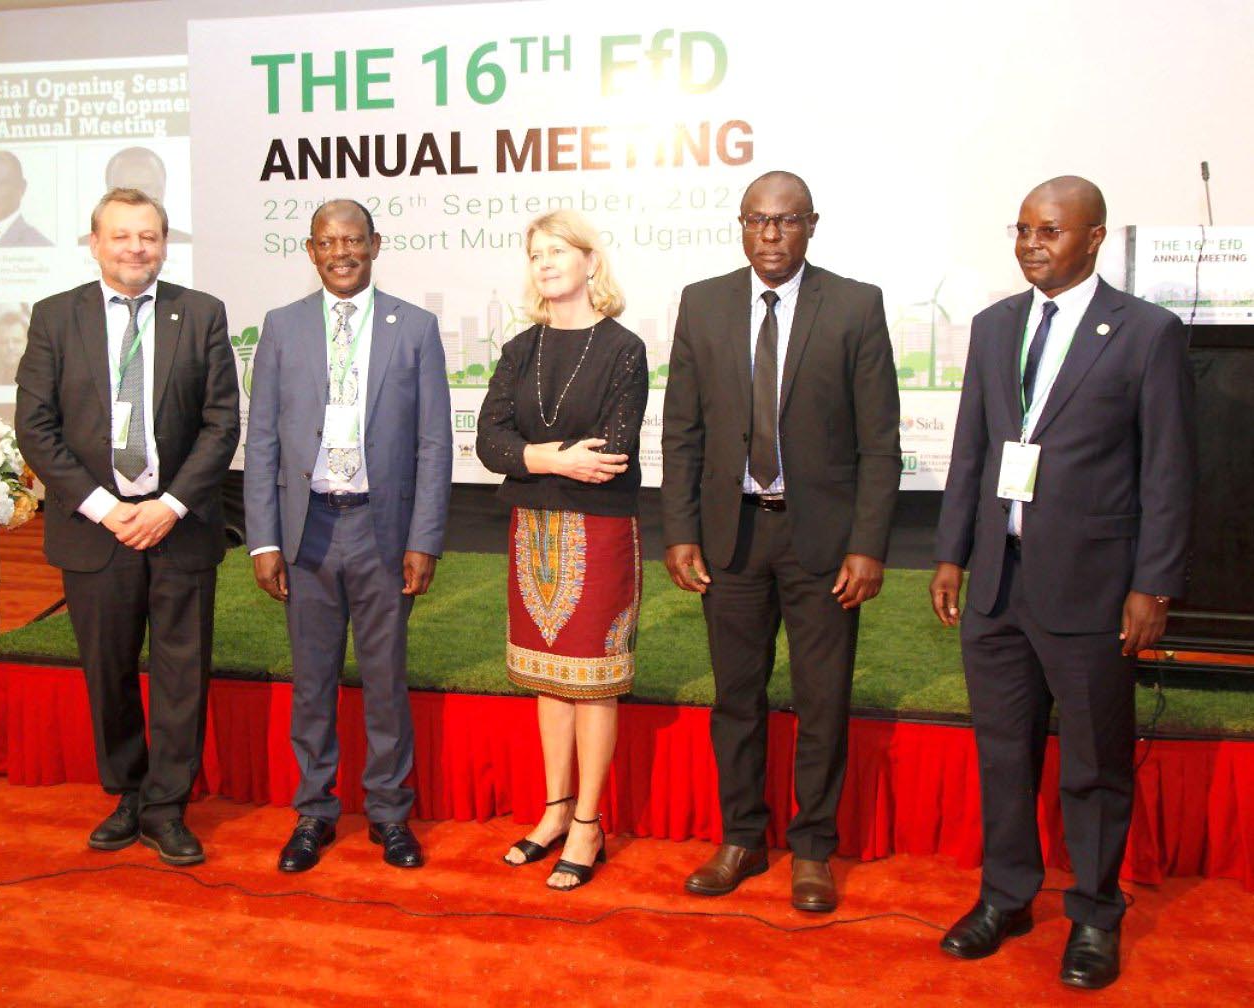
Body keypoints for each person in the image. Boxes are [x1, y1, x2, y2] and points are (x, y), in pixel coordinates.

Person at [931, 176, 1196, 989]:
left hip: (1092, 589)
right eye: (1022, 230)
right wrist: (951, 555)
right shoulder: (994, 326)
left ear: (1093, 238)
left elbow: (1169, 469)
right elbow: (972, 450)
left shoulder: (1147, 333)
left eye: (1049, 230)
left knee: (1092, 764)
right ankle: (1006, 896)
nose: (1031, 244)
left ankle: (1093, 916)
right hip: (998, 588)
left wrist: (1153, 584)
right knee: (1003, 753)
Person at [661, 170, 901, 912]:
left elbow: (880, 442)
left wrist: (868, 544)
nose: (771, 235)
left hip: (822, 541)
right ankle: (740, 836)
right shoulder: (702, 303)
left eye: (786, 221)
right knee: (736, 697)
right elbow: (682, 431)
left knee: (822, 701)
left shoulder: (856, 306)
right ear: (741, 225)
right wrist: (679, 532)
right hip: (730, 538)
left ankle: (812, 850)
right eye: (757, 221)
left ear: (811, 225)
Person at [14, 187, 239, 864]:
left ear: (164, 243)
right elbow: (36, 426)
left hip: (180, 525)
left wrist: (168, 506)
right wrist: (105, 508)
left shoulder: (198, 314)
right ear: (95, 242)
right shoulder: (57, 317)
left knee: (181, 673)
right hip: (95, 530)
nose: (136, 247)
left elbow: (221, 422)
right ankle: (128, 793)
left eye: (149, 235)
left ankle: (168, 806)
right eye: (122, 235)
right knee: (107, 670)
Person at [243, 199, 451, 874]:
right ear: (310, 250)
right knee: (312, 681)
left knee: (386, 681)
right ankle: (314, 811)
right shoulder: (281, 327)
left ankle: (390, 814)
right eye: (329, 242)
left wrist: (424, 538)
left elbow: (433, 443)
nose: (342, 252)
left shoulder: (414, 328)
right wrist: (263, 540)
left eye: (354, 240)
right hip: (308, 530)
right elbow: (265, 438)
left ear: (375, 244)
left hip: (381, 530)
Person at [476, 209, 647, 891]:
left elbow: (610, 454)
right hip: (531, 529)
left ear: (589, 263)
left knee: (593, 682)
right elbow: (490, 442)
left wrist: (530, 458)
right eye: (535, 254)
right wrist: (546, 457)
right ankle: (552, 811)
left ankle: (588, 823)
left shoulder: (624, 347)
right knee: (549, 677)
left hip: (600, 531)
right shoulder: (521, 348)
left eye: (557, 252)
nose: (544, 264)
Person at [78, 147, 191, 244]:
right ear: (109, 191)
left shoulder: (185, 242)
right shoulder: (85, 244)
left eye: (146, 188)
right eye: (128, 190)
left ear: (162, 190)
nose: (138, 198)